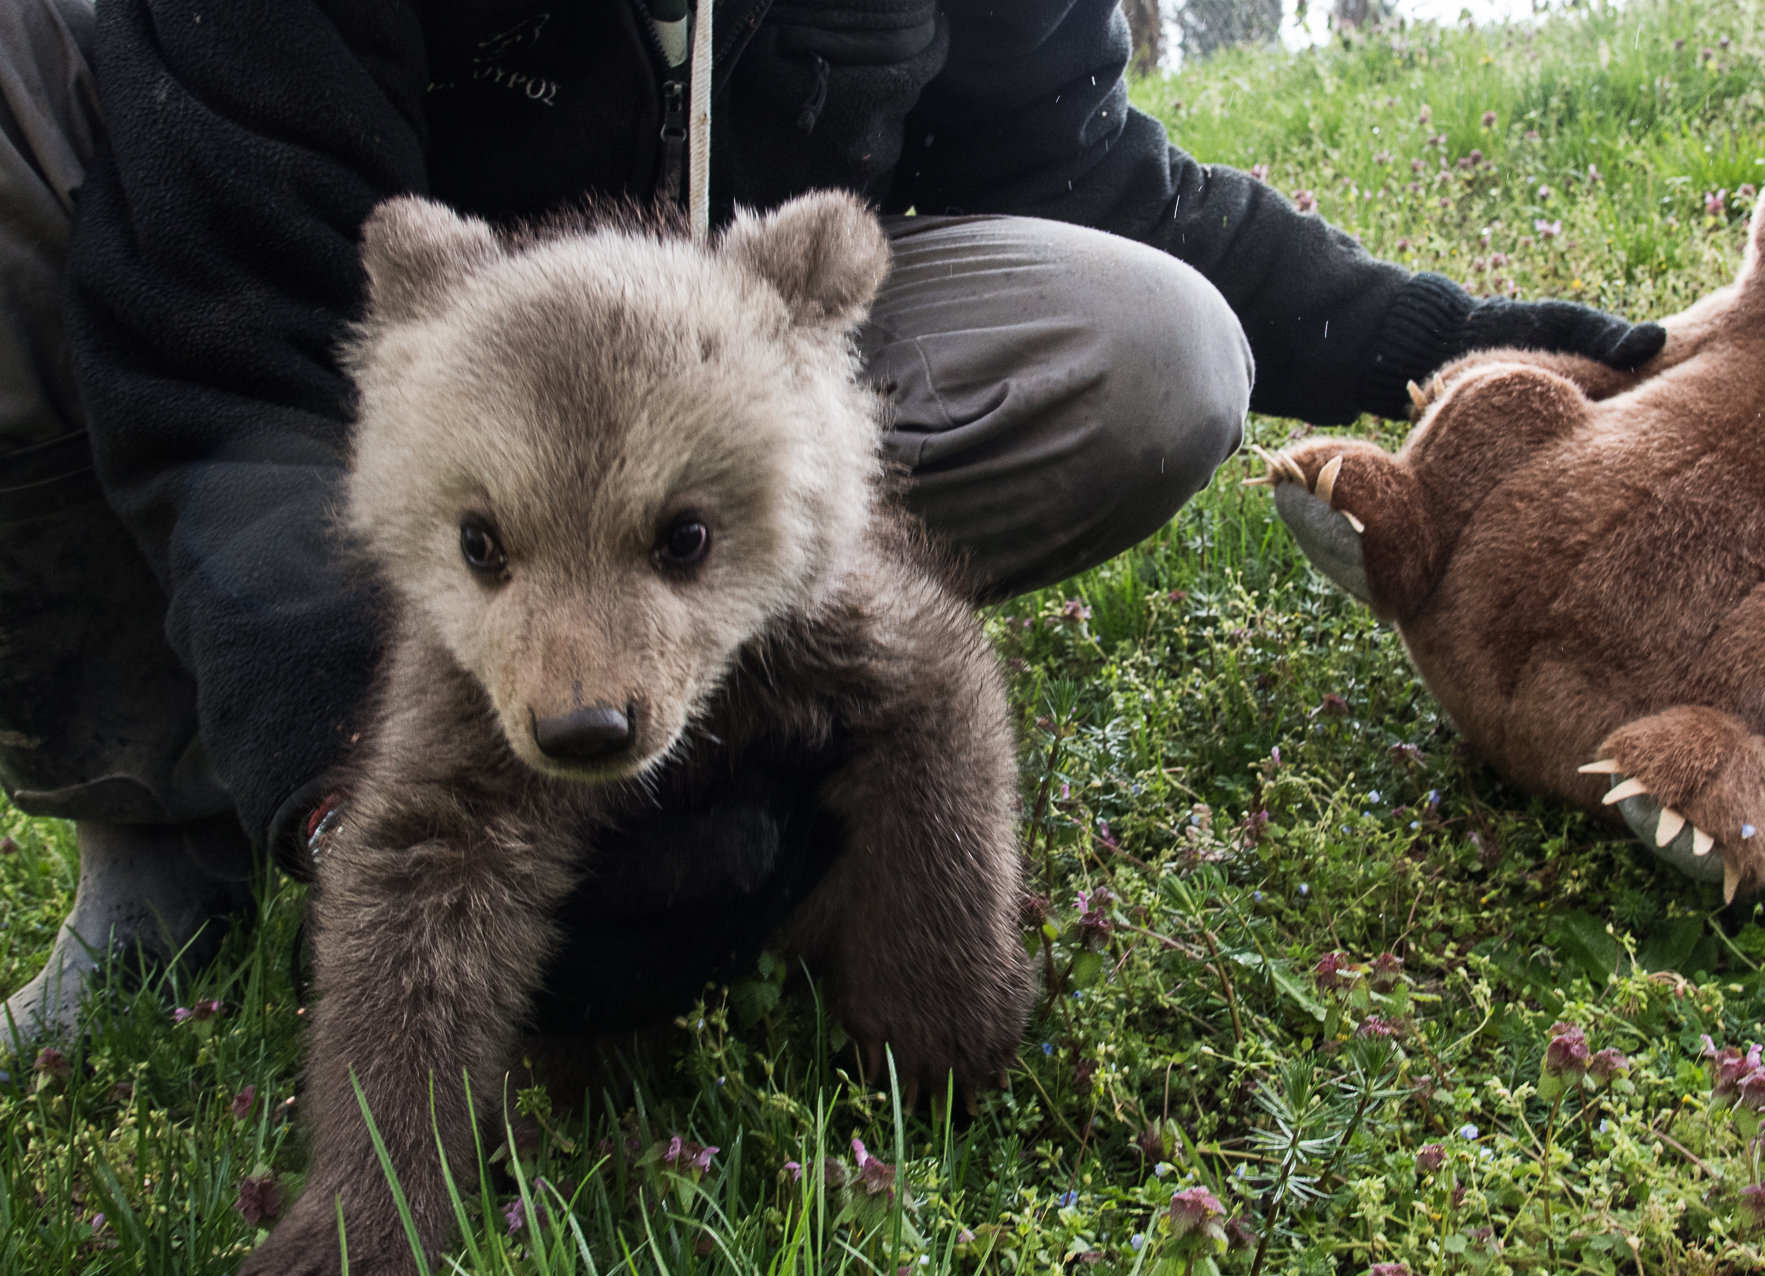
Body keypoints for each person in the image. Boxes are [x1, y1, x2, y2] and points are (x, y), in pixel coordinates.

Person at [0, 0, 1662, 1051]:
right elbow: (227, 363)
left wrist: (1473, 338)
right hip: (401, 364)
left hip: (717, 363)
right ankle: (175, 829)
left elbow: (1092, 167)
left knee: (1154, 343)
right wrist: (341, 780)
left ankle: (755, 698)